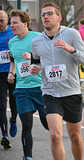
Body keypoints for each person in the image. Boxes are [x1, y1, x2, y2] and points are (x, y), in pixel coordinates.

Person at [30, 2, 84, 160]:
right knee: (55, 136)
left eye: (49, 13)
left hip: (71, 92)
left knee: (75, 137)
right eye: (43, 14)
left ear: (59, 17)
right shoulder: (36, 42)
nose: (45, 17)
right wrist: (34, 69)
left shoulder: (72, 34)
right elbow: (35, 63)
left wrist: (72, 50)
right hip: (50, 93)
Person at [7, 10, 49, 160]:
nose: (11, 25)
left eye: (15, 22)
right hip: (22, 89)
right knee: (26, 124)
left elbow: (50, 58)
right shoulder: (11, 42)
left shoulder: (38, 38)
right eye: (10, 23)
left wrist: (32, 58)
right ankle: (28, 157)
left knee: (48, 125)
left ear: (25, 24)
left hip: (41, 88)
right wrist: (12, 74)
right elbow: (13, 62)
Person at [0, 10, 17, 150]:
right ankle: (4, 134)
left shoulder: (13, 32)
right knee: (1, 104)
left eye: (1, 21)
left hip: (13, 71)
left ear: (7, 20)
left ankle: (13, 119)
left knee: (14, 101)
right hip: (0, 74)